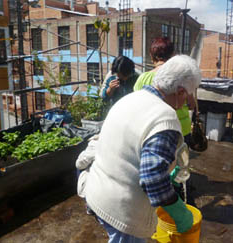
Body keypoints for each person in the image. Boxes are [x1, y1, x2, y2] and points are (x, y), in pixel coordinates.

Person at [79, 55, 201, 242]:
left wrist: (168, 173)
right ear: (181, 92)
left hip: (97, 193)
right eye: (188, 96)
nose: (186, 103)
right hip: (123, 213)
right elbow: (153, 179)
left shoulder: (130, 99)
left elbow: (128, 151)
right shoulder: (164, 118)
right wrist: (179, 211)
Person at [134, 37, 195, 203]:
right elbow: (191, 104)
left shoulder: (142, 79)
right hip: (181, 129)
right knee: (179, 170)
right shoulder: (179, 78)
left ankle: (164, 199)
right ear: (173, 55)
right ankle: (178, 200)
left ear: (152, 56)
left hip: (150, 131)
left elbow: (137, 106)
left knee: (157, 165)